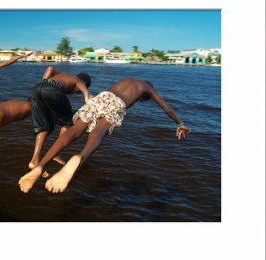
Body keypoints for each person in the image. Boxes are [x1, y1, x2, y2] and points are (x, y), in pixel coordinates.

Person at [19, 77, 191, 194]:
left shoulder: (126, 80)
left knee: (74, 131)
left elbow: (111, 92)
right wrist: (179, 123)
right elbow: (166, 107)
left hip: (103, 97)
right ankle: (79, 158)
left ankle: (41, 165)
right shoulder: (147, 87)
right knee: (98, 133)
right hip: (117, 104)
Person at [27, 66, 91, 170]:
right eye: (77, 91)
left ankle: (34, 160)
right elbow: (85, 90)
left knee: (43, 127)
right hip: (52, 90)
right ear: (84, 81)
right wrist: (86, 95)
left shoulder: (62, 75)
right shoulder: (78, 80)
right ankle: (56, 154)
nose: (76, 92)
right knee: (69, 121)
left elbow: (50, 68)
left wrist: (43, 82)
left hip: (37, 89)